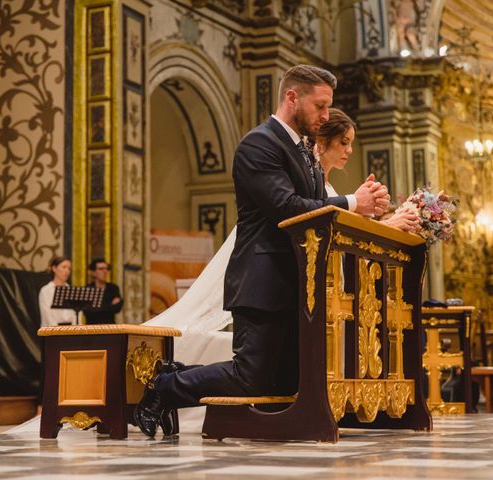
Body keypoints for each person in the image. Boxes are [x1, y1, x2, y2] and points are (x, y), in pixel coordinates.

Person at [135, 64, 392, 437]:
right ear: (292, 97)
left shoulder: (303, 153)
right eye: (320, 106)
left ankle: (174, 377)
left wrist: (364, 210)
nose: (325, 116)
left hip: (296, 283)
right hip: (262, 279)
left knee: (282, 382)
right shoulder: (260, 144)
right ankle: (163, 388)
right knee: (249, 377)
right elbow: (287, 209)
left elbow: (318, 209)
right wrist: (353, 201)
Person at [315, 108, 420, 231]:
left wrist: (364, 206)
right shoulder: (312, 185)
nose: (350, 150)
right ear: (321, 141)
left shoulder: (329, 186)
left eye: (351, 144)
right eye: (344, 142)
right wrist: (387, 225)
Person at [38, 257, 78, 326]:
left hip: (71, 331)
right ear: (54, 268)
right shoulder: (46, 290)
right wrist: (57, 330)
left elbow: (76, 314)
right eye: (64, 267)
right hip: (52, 331)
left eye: (69, 268)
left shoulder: (71, 290)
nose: (67, 271)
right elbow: (47, 315)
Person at [83, 258, 123, 325]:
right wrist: (110, 305)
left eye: (106, 269)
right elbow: (88, 312)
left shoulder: (113, 288)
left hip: (110, 327)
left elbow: (117, 309)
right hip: (91, 328)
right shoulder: (88, 289)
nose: (105, 271)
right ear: (93, 272)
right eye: (101, 269)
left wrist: (98, 307)